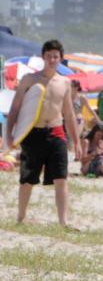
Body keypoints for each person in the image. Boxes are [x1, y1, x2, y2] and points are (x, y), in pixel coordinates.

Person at [4, 40, 82, 226]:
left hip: (56, 132)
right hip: (33, 133)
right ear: (43, 57)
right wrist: (9, 135)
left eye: (56, 56)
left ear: (61, 59)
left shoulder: (64, 82)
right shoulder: (30, 79)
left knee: (61, 178)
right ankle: (21, 217)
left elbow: (69, 114)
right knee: (27, 179)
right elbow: (15, 109)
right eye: (49, 56)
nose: (52, 59)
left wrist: (77, 142)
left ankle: (63, 222)